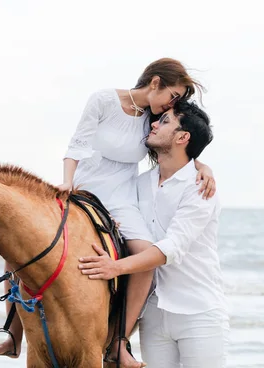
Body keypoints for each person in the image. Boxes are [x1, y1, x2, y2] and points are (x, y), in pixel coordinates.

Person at [0, 58, 216, 367]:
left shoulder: (153, 119)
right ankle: (13, 333)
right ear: (156, 82)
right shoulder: (104, 99)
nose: (173, 103)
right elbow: (76, 144)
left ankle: (119, 341)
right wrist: (67, 181)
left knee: (144, 259)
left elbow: (174, 149)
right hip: (83, 187)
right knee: (21, 241)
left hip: (121, 196)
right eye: (173, 95)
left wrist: (202, 165)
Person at [79, 102, 229, 367]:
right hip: (153, 312)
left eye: (166, 121)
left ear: (183, 137)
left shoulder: (199, 189)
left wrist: (115, 267)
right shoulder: (139, 183)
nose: (154, 124)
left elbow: (172, 248)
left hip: (199, 311)